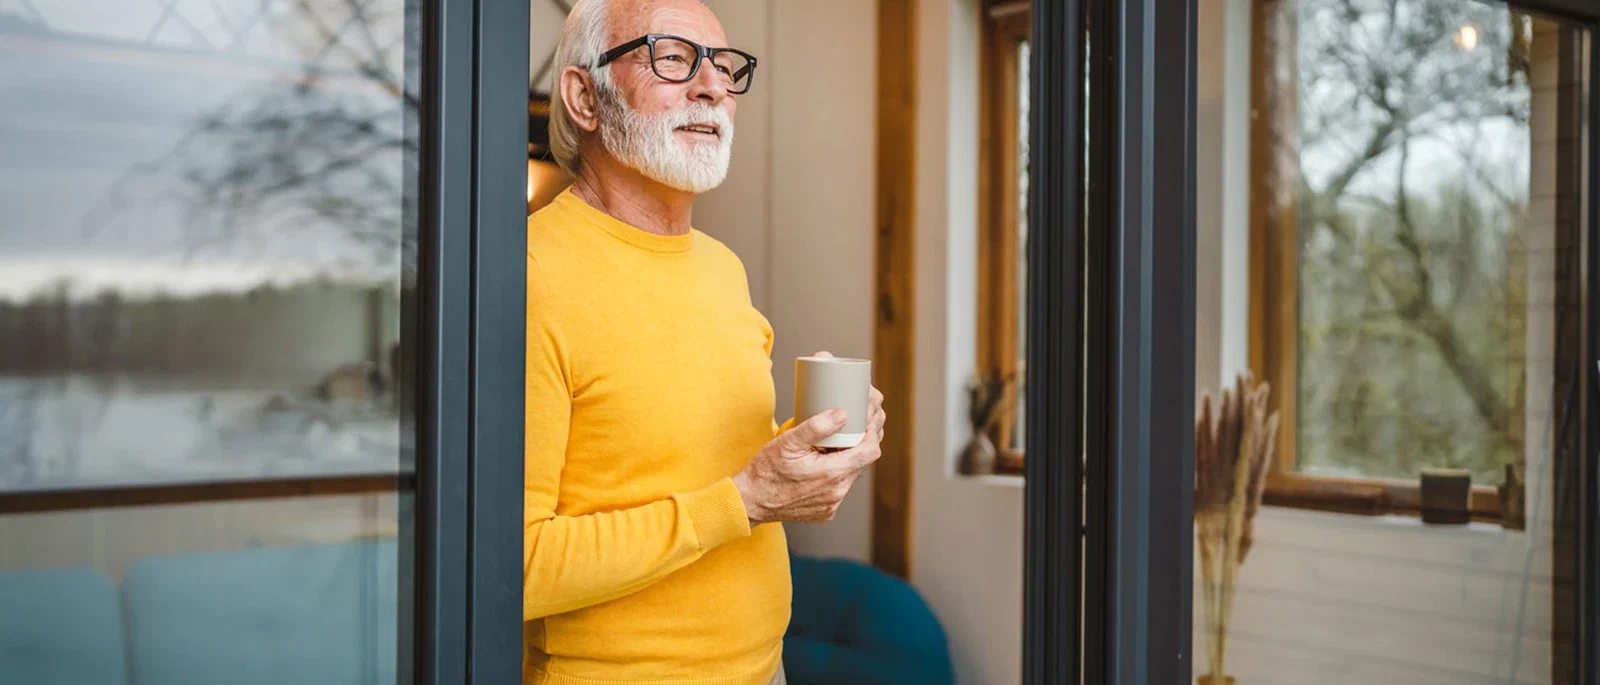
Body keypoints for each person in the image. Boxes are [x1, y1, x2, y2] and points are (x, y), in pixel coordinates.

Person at [524, 1, 886, 684]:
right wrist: (746, 498)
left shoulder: (724, 268)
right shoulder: (530, 277)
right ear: (583, 98)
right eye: (673, 56)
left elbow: (700, 464)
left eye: (723, 64)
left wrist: (811, 455)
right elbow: (508, 567)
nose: (713, 85)